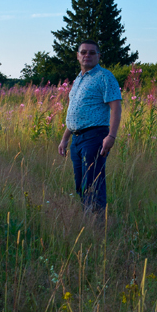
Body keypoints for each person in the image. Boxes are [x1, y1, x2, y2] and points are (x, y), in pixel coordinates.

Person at [57, 40, 122, 216]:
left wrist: (111, 136)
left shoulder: (104, 76)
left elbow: (116, 107)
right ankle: (88, 221)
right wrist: (65, 138)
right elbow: (74, 111)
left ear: (99, 56)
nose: (87, 55)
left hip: (94, 137)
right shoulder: (78, 79)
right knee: (81, 184)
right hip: (77, 139)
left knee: (93, 183)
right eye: (83, 52)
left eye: (92, 53)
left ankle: (98, 225)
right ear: (78, 56)